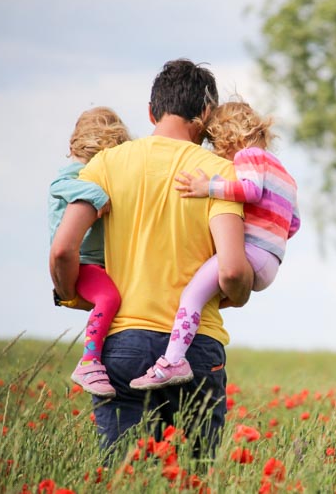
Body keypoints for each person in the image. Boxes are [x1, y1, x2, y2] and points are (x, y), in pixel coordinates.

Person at [49, 59, 253, 457]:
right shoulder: (219, 174)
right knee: (192, 478)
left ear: (150, 111)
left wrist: (71, 292)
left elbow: (62, 249)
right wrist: (240, 292)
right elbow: (231, 270)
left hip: (121, 344)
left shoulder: (105, 164)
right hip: (195, 347)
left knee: (124, 475)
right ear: (207, 113)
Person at [130, 100, 300, 390]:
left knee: (192, 295)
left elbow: (250, 190)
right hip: (271, 261)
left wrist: (207, 187)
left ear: (228, 136)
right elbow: (293, 224)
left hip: (251, 253)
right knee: (207, 294)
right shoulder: (284, 173)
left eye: (216, 143)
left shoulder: (249, 156)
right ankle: (182, 345)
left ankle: (173, 361)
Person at [48, 107, 130, 398]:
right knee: (109, 298)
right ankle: (89, 361)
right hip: (82, 262)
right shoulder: (75, 173)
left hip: (98, 262)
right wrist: (97, 195)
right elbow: (59, 185)